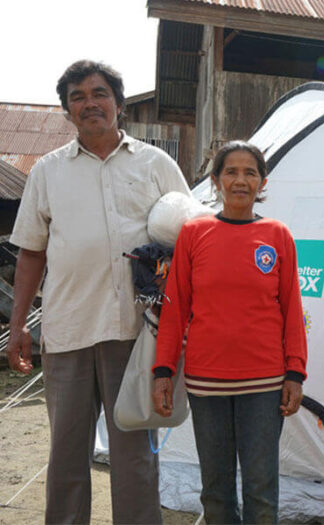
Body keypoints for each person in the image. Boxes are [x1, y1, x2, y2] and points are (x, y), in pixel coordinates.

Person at [7, 60, 191, 524]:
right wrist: (17, 325)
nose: (89, 103)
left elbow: (191, 239)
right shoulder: (48, 172)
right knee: (67, 454)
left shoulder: (156, 164)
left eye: (99, 93)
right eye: (77, 97)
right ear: (67, 112)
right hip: (67, 332)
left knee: (134, 454)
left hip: (135, 334)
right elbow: (31, 253)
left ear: (119, 103)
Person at [152, 140, 307, 524]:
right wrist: (163, 371)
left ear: (263, 181)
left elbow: (291, 310)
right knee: (216, 493)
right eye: (231, 171)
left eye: (250, 172)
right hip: (207, 383)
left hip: (265, 382)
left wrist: (295, 373)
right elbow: (175, 309)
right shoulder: (193, 233)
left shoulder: (278, 235)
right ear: (215, 180)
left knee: (261, 491)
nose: (241, 180)